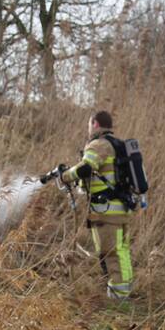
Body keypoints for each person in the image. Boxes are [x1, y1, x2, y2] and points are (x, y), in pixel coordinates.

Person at [60, 110, 134, 301]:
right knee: (121, 252)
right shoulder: (119, 146)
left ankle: (118, 299)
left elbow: (86, 168)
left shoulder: (98, 145)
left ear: (95, 124)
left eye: (89, 124)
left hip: (106, 212)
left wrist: (65, 176)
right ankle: (124, 293)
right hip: (121, 210)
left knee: (110, 254)